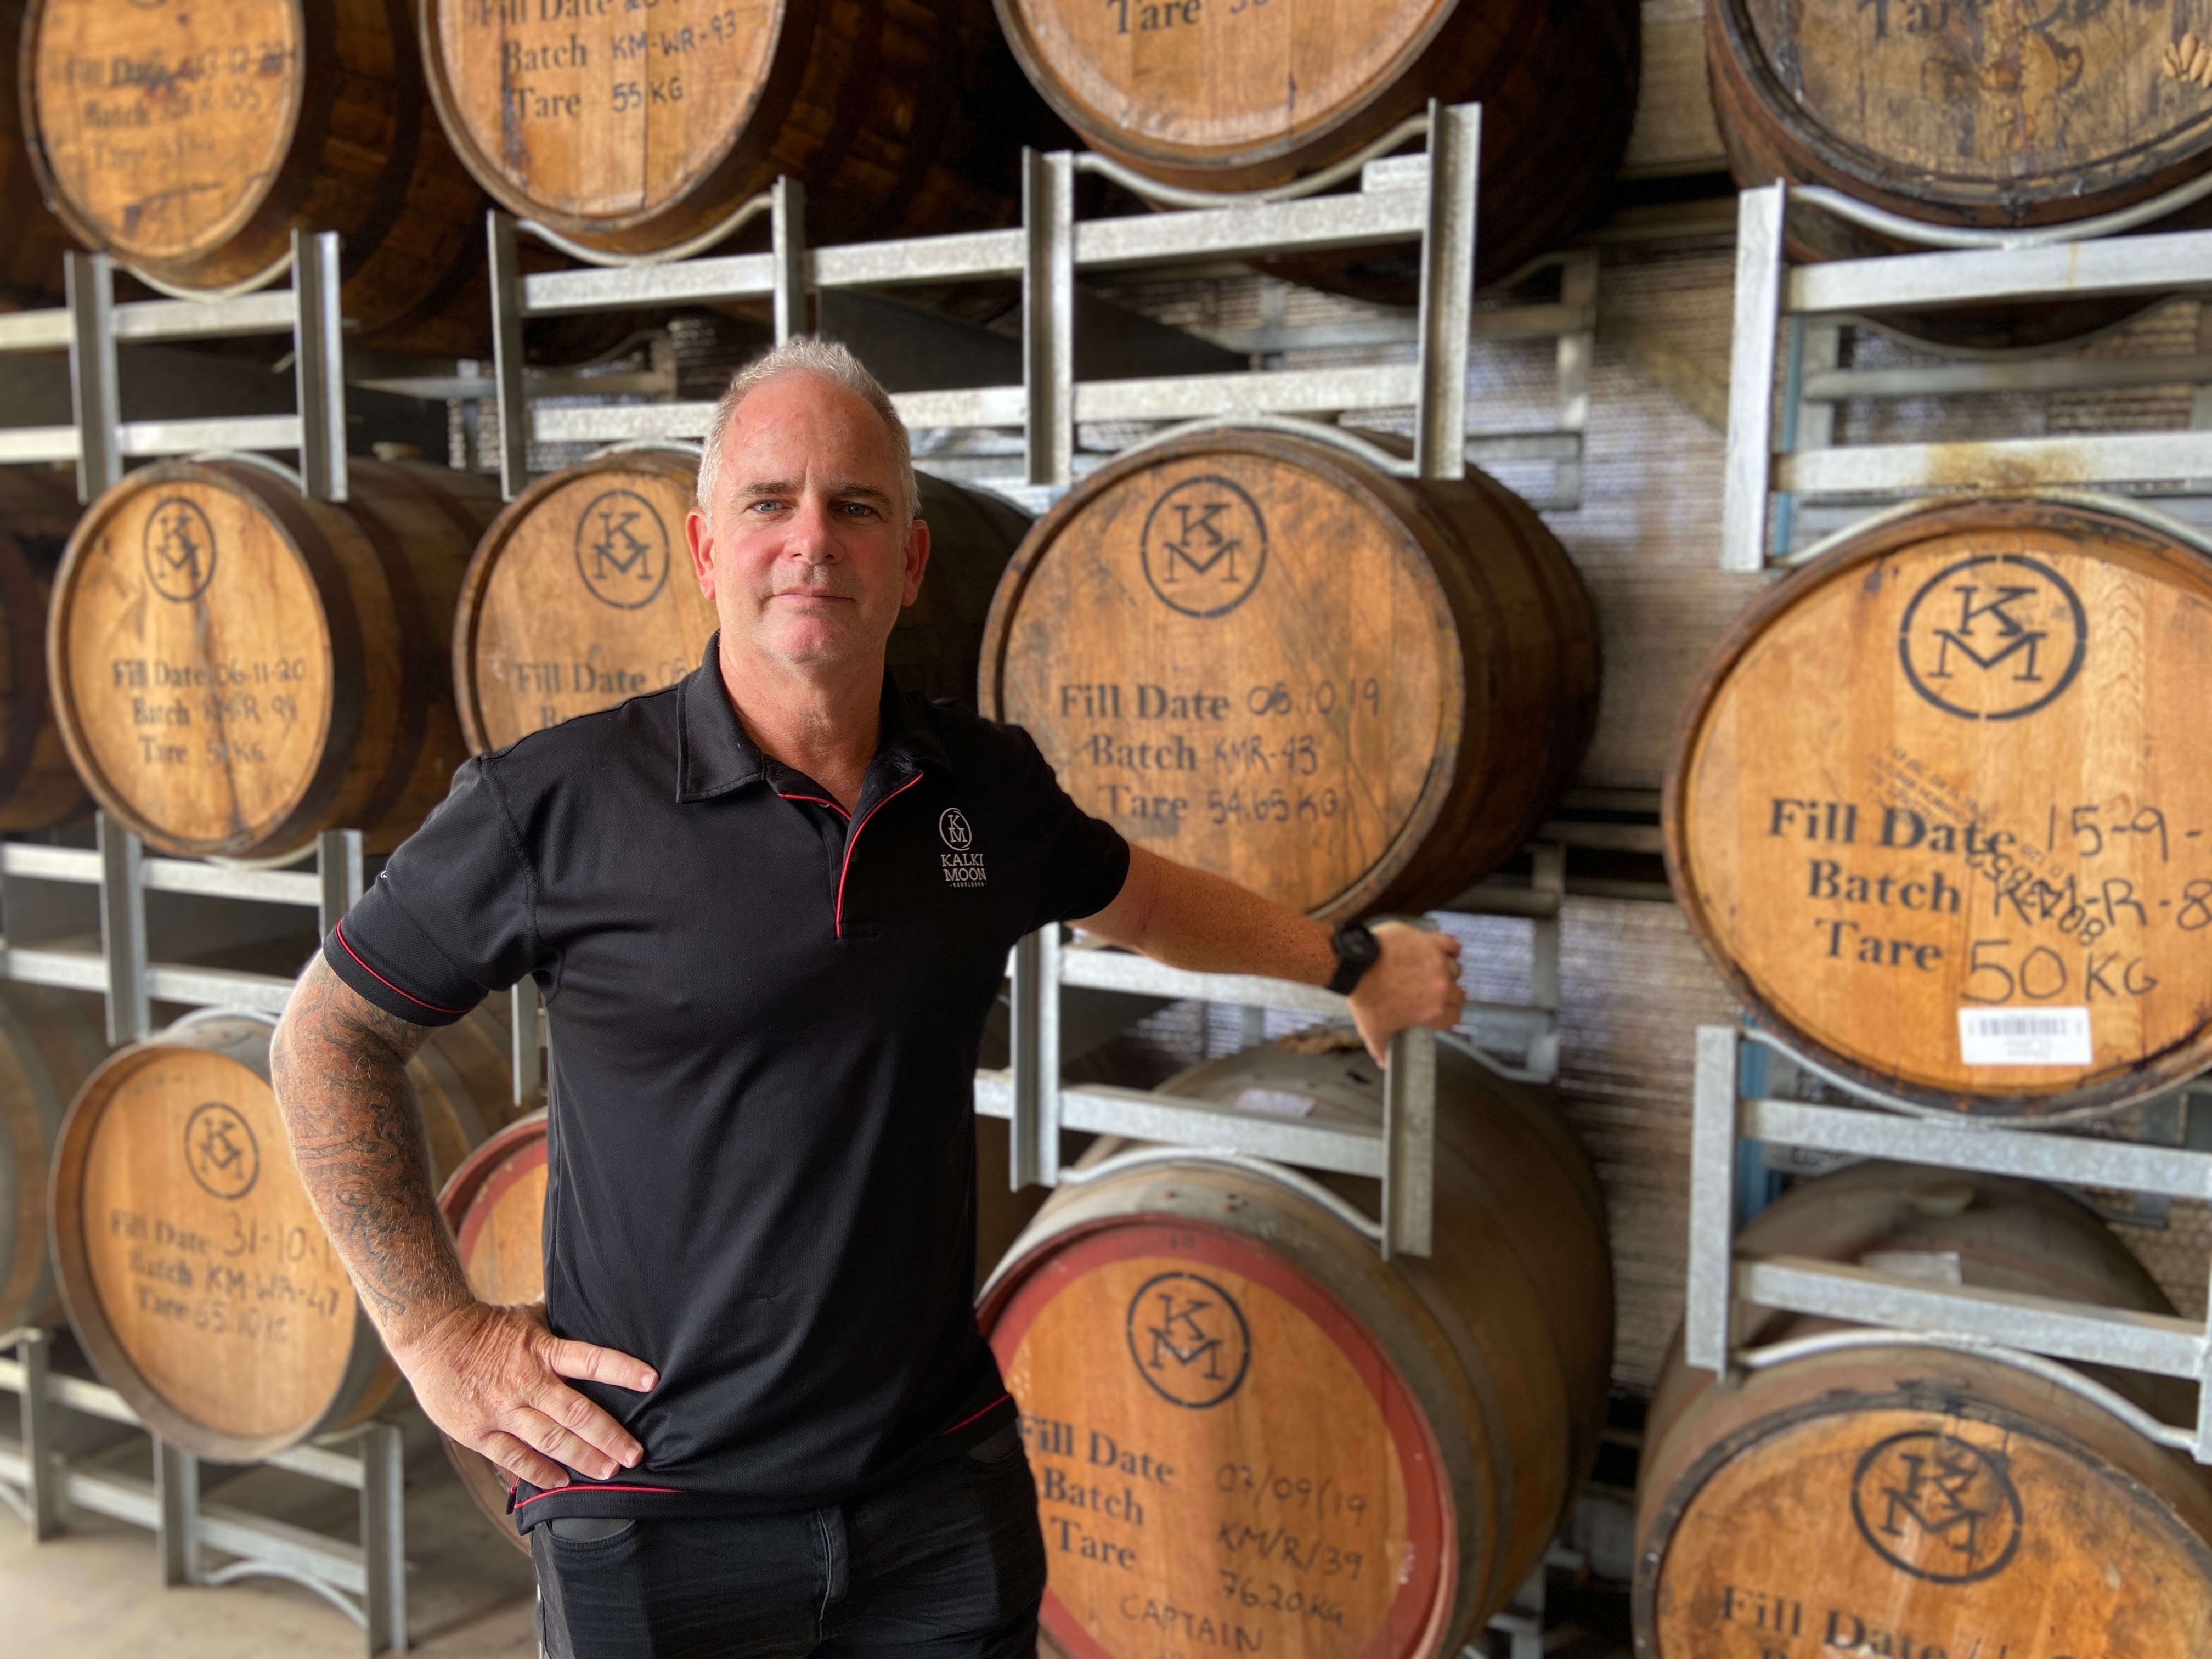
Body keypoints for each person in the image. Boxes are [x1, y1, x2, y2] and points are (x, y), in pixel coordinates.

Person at [269, 337, 1465, 1658]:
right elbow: (329, 1035)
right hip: (658, 1508)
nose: (811, 542)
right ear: (705, 548)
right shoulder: (551, 806)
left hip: (937, 1495)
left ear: (911, 560)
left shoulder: (981, 788)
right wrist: (432, 1330)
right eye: (769, 503)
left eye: (857, 506)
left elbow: (1150, 902)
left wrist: (1353, 964)